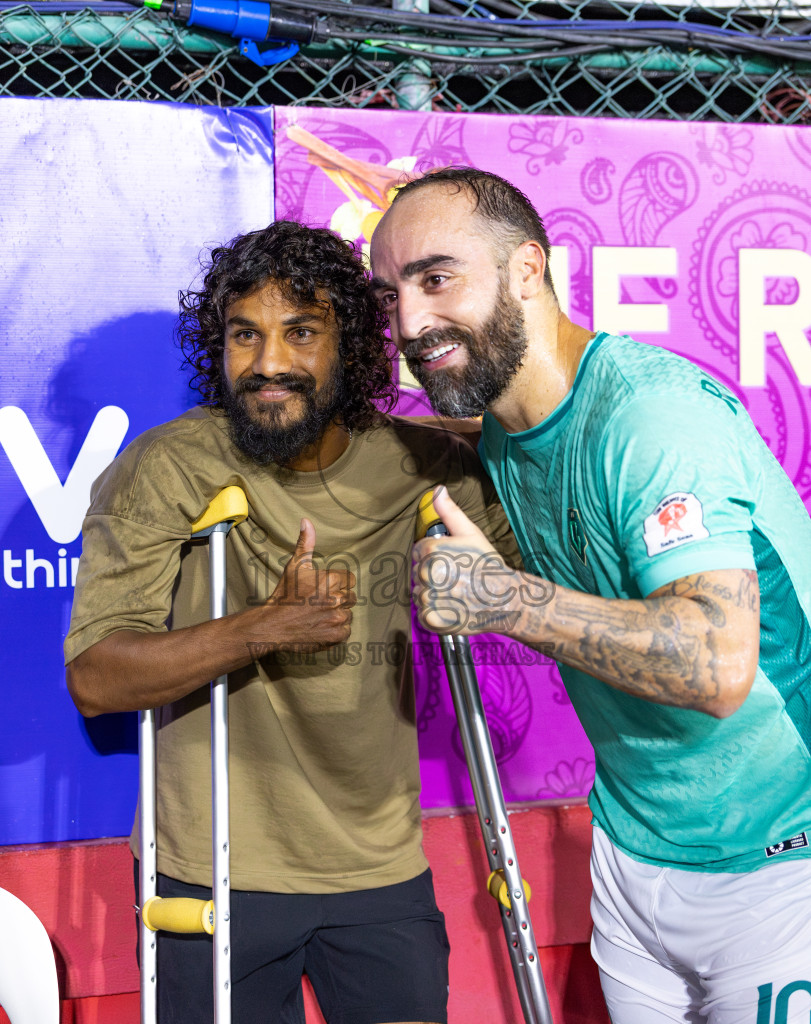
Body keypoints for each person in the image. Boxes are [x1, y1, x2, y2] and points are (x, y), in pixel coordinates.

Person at [369, 168, 811, 1023]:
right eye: (390, 295)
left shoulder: (651, 419)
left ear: (527, 270)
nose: (410, 323)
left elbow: (715, 665)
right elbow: (455, 431)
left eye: (435, 278)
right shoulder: (508, 417)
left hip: (780, 862)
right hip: (632, 853)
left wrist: (501, 602)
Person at [64, 220, 516, 1024]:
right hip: (212, 865)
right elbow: (96, 678)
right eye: (244, 335)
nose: (268, 362)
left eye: (300, 332)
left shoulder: (423, 462)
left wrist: (508, 437)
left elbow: (534, 587)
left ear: (351, 349)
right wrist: (263, 627)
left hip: (377, 866)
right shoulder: (167, 466)